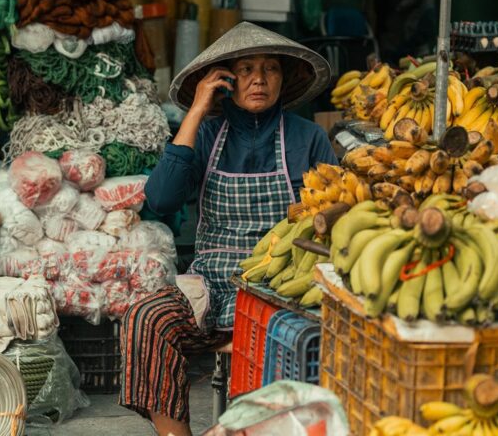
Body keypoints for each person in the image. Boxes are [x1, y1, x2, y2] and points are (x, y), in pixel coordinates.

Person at [119, 22, 337, 436]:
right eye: (247, 68)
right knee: (145, 316)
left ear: (283, 78)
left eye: (270, 68)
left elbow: (335, 216)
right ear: (226, 81)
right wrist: (197, 110)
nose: (258, 78)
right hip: (211, 285)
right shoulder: (204, 134)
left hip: (277, 289)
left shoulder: (307, 138)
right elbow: (161, 199)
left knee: (296, 341)